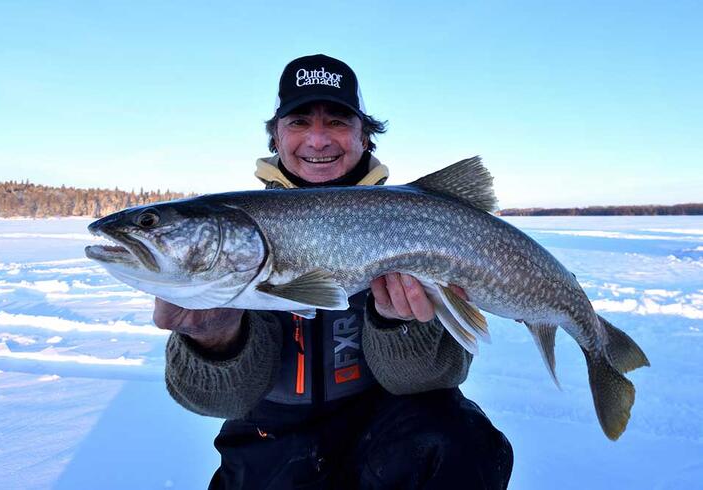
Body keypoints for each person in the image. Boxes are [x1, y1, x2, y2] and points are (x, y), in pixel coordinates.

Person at [155, 54, 513, 489]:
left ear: (366, 138)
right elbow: (218, 399)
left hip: (387, 428)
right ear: (277, 137)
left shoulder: (417, 220)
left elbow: (432, 381)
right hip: (270, 440)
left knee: (461, 439)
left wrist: (397, 324)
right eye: (299, 121)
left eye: (339, 121)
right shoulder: (238, 230)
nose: (319, 139)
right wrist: (213, 339)